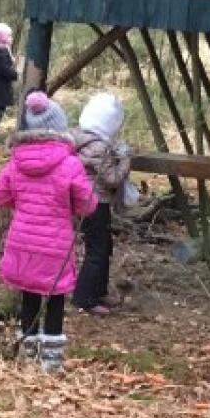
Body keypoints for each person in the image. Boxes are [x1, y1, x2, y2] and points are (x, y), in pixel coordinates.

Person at [0, 91, 97, 374]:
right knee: (55, 296)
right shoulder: (70, 163)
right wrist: (68, 206)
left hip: (21, 241)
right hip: (56, 244)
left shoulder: (16, 160)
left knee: (29, 293)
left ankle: (27, 353)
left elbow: (0, 195)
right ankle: (51, 361)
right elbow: (87, 205)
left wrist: (22, 204)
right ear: (60, 127)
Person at [69, 92, 132, 316]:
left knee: (103, 245)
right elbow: (112, 178)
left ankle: (99, 291)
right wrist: (125, 159)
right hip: (96, 202)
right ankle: (85, 297)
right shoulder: (99, 147)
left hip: (81, 199)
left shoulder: (77, 138)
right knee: (97, 250)